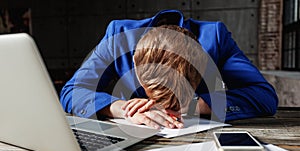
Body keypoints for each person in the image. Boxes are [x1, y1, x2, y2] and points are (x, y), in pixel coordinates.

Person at [60, 9, 278, 129]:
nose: (167, 109)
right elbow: (71, 92)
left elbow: (265, 96)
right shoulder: (118, 37)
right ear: (134, 63)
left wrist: (198, 104)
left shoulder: (216, 38)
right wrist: (122, 108)